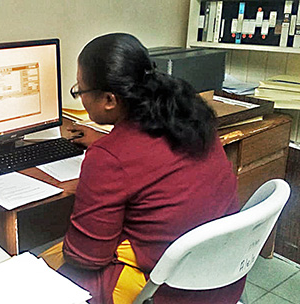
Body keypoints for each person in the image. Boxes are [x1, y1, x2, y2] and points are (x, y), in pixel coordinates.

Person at [41, 33, 245, 304]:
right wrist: (109, 144)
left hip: (170, 293)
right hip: (223, 279)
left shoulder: (109, 158)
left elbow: (87, 257)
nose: (80, 99)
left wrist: (108, 152)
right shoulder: (193, 118)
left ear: (110, 100)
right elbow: (151, 157)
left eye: (80, 91)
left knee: (43, 264)